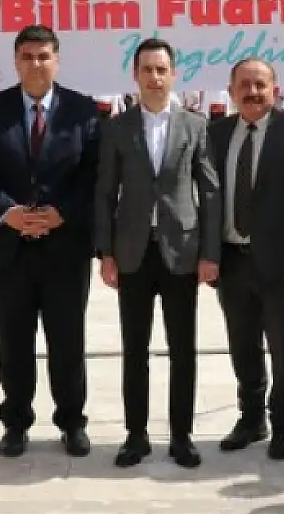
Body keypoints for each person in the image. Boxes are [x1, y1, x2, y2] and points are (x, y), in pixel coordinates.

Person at [0, 26, 102, 458]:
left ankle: (72, 422)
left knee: (67, 340)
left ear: (56, 60)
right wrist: (10, 213)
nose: (35, 64)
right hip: (8, 247)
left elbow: (93, 173)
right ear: (15, 60)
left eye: (43, 56)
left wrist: (61, 213)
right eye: (27, 56)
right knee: (13, 339)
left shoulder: (83, 110)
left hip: (65, 246)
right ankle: (16, 422)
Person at [94, 38, 220, 469]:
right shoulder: (117, 128)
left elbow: (209, 190)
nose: (154, 77)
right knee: (135, 349)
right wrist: (105, 253)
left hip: (181, 251)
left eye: (161, 69)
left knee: (182, 348)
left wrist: (210, 252)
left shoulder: (195, 125)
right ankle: (136, 435)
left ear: (173, 74)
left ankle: (182, 436)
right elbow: (105, 192)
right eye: (147, 69)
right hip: (132, 252)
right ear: (135, 75)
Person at [209, 58, 284, 460]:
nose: (253, 92)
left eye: (261, 84)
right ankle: (251, 417)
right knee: (243, 347)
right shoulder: (217, 133)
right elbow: (208, 200)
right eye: (244, 84)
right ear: (231, 89)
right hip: (232, 261)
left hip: (282, 265)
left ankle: (283, 425)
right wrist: (208, 256)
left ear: (276, 89)